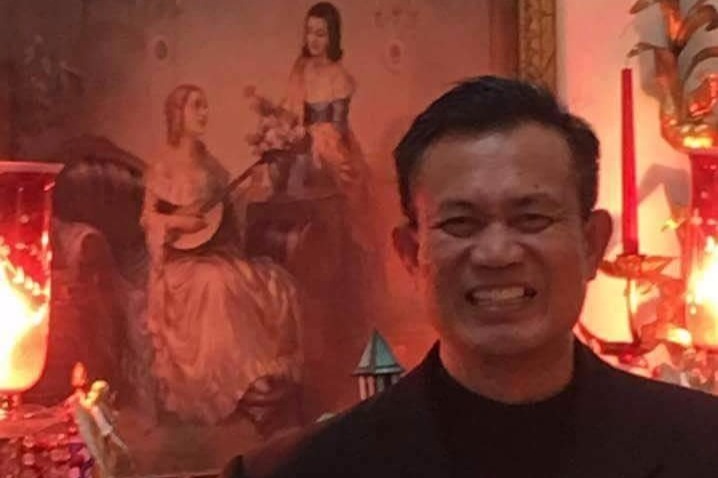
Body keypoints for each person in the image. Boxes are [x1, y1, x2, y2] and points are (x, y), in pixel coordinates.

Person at [220, 76, 718, 477]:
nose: (496, 254)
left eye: (531, 218)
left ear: (591, 244)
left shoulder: (700, 445)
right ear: (411, 253)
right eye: (460, 223)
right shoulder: (303, 470)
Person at [141, 84, 303, 426]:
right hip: (179, 262)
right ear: (178, 114)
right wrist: (179, 221)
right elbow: (148, 219)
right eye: (196, 106)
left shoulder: (210, 163)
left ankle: (256, 372)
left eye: (205, 106)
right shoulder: (162, 164)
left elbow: (226, 216)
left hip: (214, 252)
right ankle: (236, 380)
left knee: (256, 278)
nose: (204, 113)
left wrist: (257, 184)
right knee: (216, 281)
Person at [283, 1, 373, 251]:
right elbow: (291, 109)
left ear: (332, 36)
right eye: (309, 32)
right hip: (301, 139)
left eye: (320, 34)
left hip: (332, 144)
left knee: (336, 184)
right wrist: (289, 130)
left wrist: (315, 139)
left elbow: (338, 125)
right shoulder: (300, 68)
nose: (313, 39)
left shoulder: (338, 76)